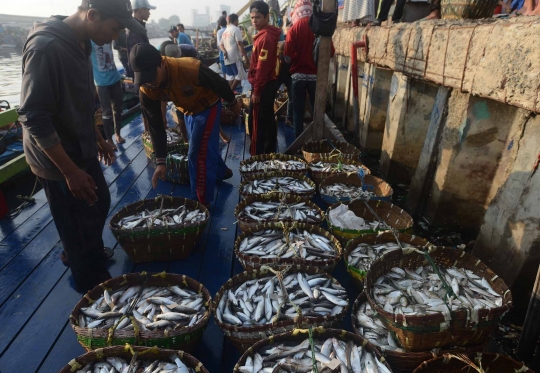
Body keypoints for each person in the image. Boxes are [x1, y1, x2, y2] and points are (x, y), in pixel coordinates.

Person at [17, 0, 145, 293]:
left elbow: (83, 99)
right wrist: (70, 172)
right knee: (75, 224)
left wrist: (98, 136)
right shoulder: (46, 48)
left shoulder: (82, 43)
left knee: (99, 202)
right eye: (114, 28)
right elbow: (33, 117)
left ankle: (82, 251)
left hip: (81, 144)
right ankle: (90, 282)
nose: (115, 37)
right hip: (56, 158)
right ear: (92, 15)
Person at [130, 43, 242, 206]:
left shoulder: (189, 68)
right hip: (188, 109)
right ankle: (222, 171)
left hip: (208, 106)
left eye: (152, 77)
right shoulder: (146, 90)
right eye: (144, 80)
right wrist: (161, 161)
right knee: (203, 146)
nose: (150, 84)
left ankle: (200, 201)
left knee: (197, 154)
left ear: (162, 63)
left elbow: (219, 83)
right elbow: (156, 125)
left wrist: (233, 103)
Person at [248, 1, 282, 155]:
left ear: (267, 17)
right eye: (252, 18)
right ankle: (268, 151)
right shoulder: (263, 35)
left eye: (258, 17)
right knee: (267, 118)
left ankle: (259, 153)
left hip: (263, 85)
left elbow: (262, 67)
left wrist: (256, 90)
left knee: (257, 121)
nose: (254, 21)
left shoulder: (266, 37)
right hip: (266, 84)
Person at [285, 0, 317, 138]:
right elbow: (330, 52)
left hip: (298, 76)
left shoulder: (293, 29)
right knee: (317, 110)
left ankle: (298, 139)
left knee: (298, 110)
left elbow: (287, 56)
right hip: (315, 77)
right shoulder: (318, 27)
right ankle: (318, 139)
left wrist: (296, 57)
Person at [91, 41, 126, 149]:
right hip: (101, 83)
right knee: (107, 112)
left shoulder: (108, 38)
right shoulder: (89, 41)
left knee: (118, 109)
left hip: (115, 78)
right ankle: (109, 140)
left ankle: (118, 134)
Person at [220, 13, 249, 92]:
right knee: (239, 76)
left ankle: (228, 94)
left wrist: (225, 52)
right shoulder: (236, 29)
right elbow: (239, 43)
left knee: (231, 77)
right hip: (235, 57)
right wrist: (245, 56)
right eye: (238, 21)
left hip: (227, 58)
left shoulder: (225, 31)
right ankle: (230, 94)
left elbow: (221, 45)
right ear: (236, 20)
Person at [126, 0, 155, 78]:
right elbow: (139, 56)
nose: (149, 13)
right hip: (141, 74)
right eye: (148, 10)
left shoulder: (137, 26)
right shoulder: (135, 29)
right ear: (141, 10)